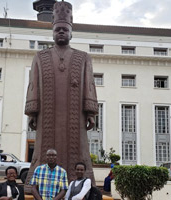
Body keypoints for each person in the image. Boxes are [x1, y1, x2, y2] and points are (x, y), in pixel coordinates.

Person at [24, 0, 98, 187]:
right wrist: (32, 112)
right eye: (58, 30)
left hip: (75, 116)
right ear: (53, 32)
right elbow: (33, 84)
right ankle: (39, 184)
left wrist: (90, 112)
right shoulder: (40, 57)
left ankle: (79, 182)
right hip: (47, 116)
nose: (62, 32)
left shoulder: (83, 58)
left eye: (65, 29)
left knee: (78, 149)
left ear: (71, 32)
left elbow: (89, 84)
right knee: (43, 148)